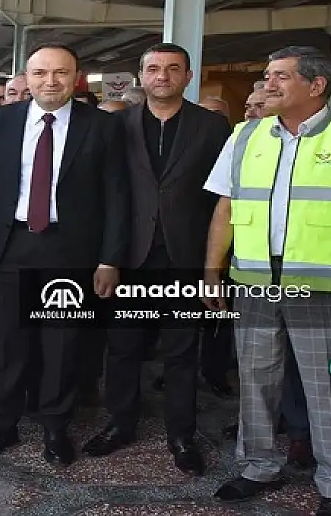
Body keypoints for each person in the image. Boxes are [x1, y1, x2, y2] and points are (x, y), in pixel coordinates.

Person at [203, 46, 331, 516]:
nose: (268, 84)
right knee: (254, 383)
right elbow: (226, 209)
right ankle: (257, 466)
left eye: (280, 77)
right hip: (253, 284)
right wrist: (212, 272)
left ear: (316, 86)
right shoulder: (245, 135)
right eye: (267, 75)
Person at [0, 42, 129, 467]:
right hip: (9, 245)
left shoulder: (102, 126)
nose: (49, 81)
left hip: (70, 248)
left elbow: (117, 196)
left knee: (61, 344)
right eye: (40, 73)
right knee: (7, 344)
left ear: (77, 78)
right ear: (27, 78)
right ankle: (3, 426)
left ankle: (55, 427)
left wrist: (109, 259)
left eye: (59, 73)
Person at [84, 43, 229, 476]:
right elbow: (104, 195)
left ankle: (181, 435)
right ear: (140, 77)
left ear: (187, 76)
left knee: (182, 352)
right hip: (129, 254)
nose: (161, 76)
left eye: (172, 69)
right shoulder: (116, 125)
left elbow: (223, 199)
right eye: (152, 69)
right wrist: (106, 257)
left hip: (186, 255)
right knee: (123, 347)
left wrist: (213, 266)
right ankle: (121, 423)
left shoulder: (214, 127)